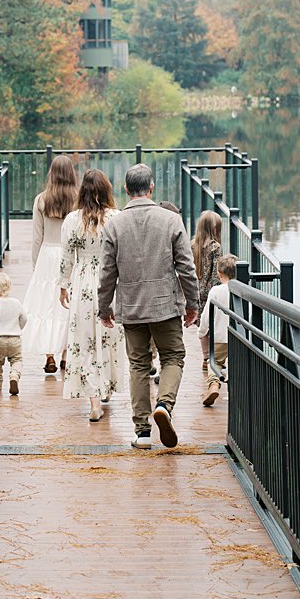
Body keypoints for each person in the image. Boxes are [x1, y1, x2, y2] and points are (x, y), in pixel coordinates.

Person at [99, 163, 199, 450]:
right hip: (165, 304)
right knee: (173, 357)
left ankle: (142, 432)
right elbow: (186, 268)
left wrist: (104, 308)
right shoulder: (170, 220)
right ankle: (164, 405)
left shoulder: (114, 224)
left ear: (126, 190)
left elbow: (107, 272)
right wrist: (192, 304)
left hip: (131, 306)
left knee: (139, 365)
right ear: (151, 188)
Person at [59, 169, 126, 422]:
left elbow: (66, 257)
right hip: (111, 281)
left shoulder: (73, 220)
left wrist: (63, 285)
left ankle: (95, 401)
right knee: (108, 338)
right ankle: (105, 387)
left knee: (85, 340)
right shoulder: (116, 218)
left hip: (84, 281)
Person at [23, 155, 78, 373]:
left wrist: (36, 265)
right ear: (72, 174)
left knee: (46, 305)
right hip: (70, 254)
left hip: (47, 254)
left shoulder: (41, 199)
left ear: (51, 174)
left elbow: (37, 237)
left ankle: (50, 356)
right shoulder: (78, 199)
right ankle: (66, 355)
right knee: (68, 305)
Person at [198, 254, 237, 406]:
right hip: (238, 337)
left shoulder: (215, 291)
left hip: (219, 336)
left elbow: (207, 315)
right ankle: (236, 391)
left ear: (219, 274)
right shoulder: (244, 290)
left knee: (215, 362)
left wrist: (202, 332)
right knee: (236, 364)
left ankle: (214, 384)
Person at [0, 272, 27, 395]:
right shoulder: (16, 302)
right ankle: (14, 376)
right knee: (17, 360)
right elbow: (24, 318)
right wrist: (18, 328)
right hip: (15, 339)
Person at [191, 210, 223, 371]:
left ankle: (205, 356)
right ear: (215, 229)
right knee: (213, 324)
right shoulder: (215, 247)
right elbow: (216, 273)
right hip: (210, 292)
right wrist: (215, 290)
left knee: (202, 326)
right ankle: (214, 356)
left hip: (195, 292)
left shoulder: (192, 245)